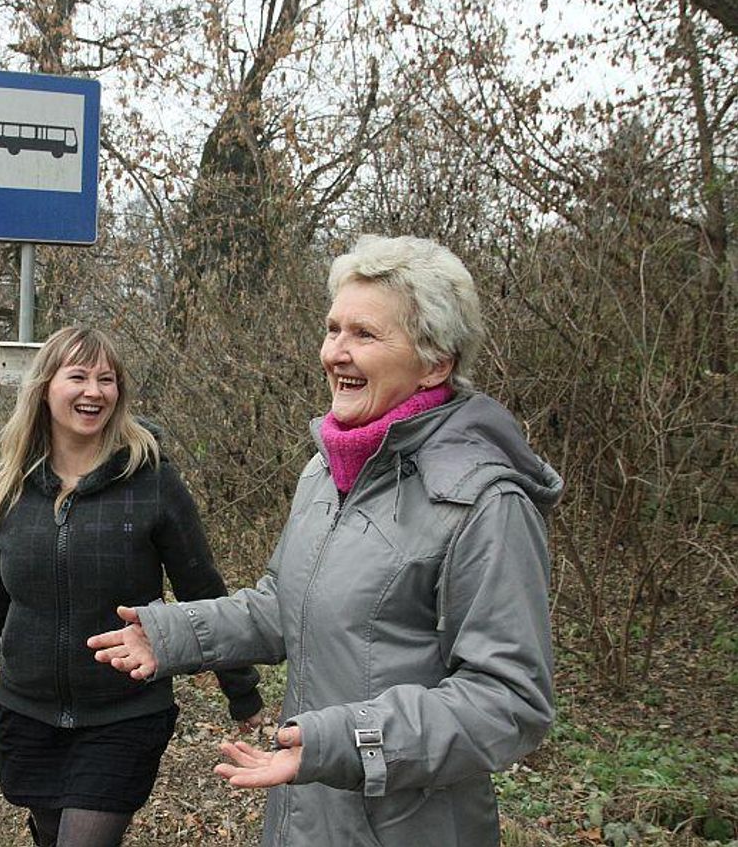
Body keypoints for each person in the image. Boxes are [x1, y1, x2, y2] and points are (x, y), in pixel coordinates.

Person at [89, 235, 563, 847]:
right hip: (305, 813)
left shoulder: (484, 502)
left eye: (364, 334)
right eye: (333, 329)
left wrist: (344, 742)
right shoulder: (326, 471)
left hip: (409, 828)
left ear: (435, 363)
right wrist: (172, 632)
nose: (335, 352)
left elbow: (508, 702)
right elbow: (285, 607)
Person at [0, 326, 263, 847]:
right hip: (27, 712)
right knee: (51, 834)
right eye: (78, 377)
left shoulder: (151, 481)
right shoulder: (8, 489)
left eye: (107, 379)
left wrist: (241, 688)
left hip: (125, 713)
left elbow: (202, 591)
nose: (94, 391)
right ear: (45, 387)